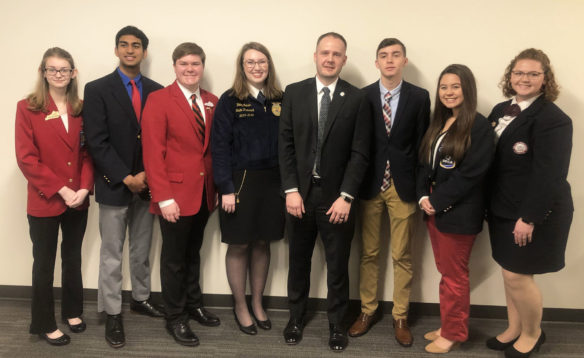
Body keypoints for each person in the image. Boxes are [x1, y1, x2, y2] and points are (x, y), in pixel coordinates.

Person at [279, 32, 371, 352]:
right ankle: (295, 318)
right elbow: (286, 146)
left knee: (337, 266)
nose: (330, 58)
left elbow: (360, 153)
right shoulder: (294, 92)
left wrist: (346, 196)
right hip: (300, 197)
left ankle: (336, 324)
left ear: (344, 60)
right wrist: (291, 190)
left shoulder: (357, 99)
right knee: (298, 262)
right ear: (315, 56)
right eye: (324, 53)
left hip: (336, 201)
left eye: (336, 54)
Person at [486, 49, 573, 358]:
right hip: (501, 207)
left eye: (533, 74)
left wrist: (530, 217)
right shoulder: (500, 109)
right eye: (519, 72)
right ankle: (515, 328)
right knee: (509, 270)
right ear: (510, 76)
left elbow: (550, 175)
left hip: (532, 211)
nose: (524, 78)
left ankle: (534, 333)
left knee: (517, 275)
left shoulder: (554, 120)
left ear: (545, 79)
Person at [83, 25, 164, 349]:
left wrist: (145, 174)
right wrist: (124, 176)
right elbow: (96, 140)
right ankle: (112, 312)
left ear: (144, 51)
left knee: (142, 250)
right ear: (116, 50)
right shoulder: (97, 89)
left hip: (148, 184)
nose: (130, 50)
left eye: (136, 46)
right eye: (124, 45)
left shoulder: (158, 91)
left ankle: (140, 298)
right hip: (114, 185)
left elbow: (159, 139)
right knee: (112, 254)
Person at [349, 38, 430, 347]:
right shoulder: (363, 96)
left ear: (404, 61)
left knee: (403, 255)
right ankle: (367, 311)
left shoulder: (420, 97)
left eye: (396, 55)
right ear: (376, 62)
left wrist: (421, 189)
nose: (390, 60)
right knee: (368, 253)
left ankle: (400, 315)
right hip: (370, 185)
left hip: (403, 186)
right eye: (384, 56)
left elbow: (423, 146)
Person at [142, 42, 221, 347]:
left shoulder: (212, 101)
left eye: (196, 64)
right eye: (184, 64)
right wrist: (163, 197)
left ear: (203, 67)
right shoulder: (159, 100)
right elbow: (152, 152)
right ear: (174, 66)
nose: (190, 69)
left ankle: (193, 303)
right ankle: (175, 316)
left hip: (203, 194)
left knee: (193, 253)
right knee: (174, 259)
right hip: (172, 196)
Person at [15, 47, 94, 346]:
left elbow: (89, 153)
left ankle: (73, 310)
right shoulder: (28, 107)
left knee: (72, 258)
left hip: (79, 198)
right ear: (43, 72)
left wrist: (84, 188)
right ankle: (45, 322)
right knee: (44, 262)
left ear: (73, 73)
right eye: (52, 69)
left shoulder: (82, 107)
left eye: (64, 69)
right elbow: (27, 159)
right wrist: (61, 189)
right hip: (46, 197)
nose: (58, 74)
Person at [417, 64, 494, 354]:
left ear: (468, 90)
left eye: (455, 87)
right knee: (445, 271)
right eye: (444, 87)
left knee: (454, 275)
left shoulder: (479, 126)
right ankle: (448, 323)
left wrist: (436, 201)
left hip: (458, 212)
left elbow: (472, 174)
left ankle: (454, 332)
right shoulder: (441, 122)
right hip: (434, 207)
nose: (448, 92)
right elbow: (426, 165)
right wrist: (423, 194)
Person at [211, 42, 285, 335]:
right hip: (239, 183)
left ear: (269, 65)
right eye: (250, 62)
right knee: (240, 243)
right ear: (242, 67)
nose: (257, 67)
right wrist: (225, 188)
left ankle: (257, 303)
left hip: (273, 183)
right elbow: (219, 148)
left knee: (263, 243)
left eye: (262, 62)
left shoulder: (281, 98)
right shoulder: (230, 100)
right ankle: (240, 306)